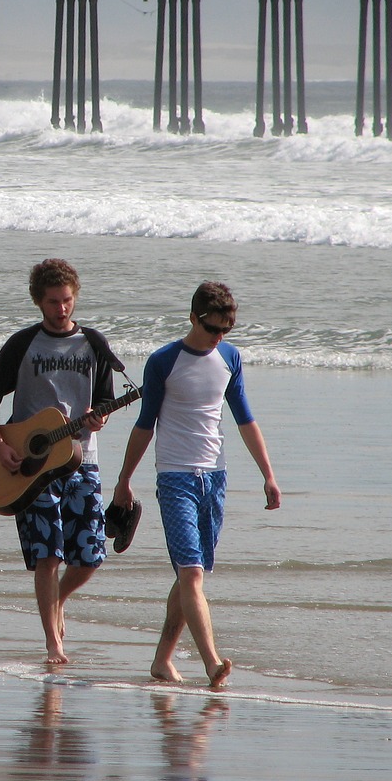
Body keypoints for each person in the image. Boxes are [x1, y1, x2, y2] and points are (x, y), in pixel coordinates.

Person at [112, 281, 280, 688]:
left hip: (215, 479)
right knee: (191, 575)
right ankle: (211, 662)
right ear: (193, 318)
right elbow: (144, 424)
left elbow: (245, 419)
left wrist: (268, 474)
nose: (218, 337)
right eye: (213, 329)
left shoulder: (230, 357)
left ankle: (161, 661)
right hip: (174, 477)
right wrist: (123, 481)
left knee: (194, 575)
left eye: (226, 330)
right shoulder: (163, 361)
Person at [0, 259, 126, 664]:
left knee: (91, 555)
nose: (62, 309)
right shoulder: (22, 345)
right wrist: (0, 447)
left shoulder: (94, 343)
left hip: (83, 460)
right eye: (54, 302)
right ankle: (53, 642)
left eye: (67, 300)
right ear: (39, 302)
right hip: (31, 466)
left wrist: (102, 416)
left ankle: (57, 601)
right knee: (49, 555)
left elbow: (107, 402)